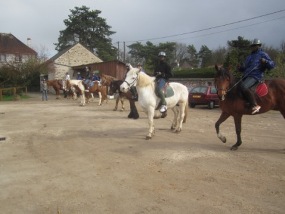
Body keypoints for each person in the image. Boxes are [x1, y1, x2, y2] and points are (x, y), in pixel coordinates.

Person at [238, 38, 275, 114]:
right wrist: (240, 68)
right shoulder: (249, 57)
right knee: (238, 87)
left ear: (259, 46)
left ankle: (255, 105)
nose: (253, 47)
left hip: (256, 76)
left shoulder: (263, 54)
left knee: (244, 86)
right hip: (247, 76)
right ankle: (246, 103)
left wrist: (265, 61)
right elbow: (245, 68)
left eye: (255, 45)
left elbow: (272, 65)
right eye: (252, 46)